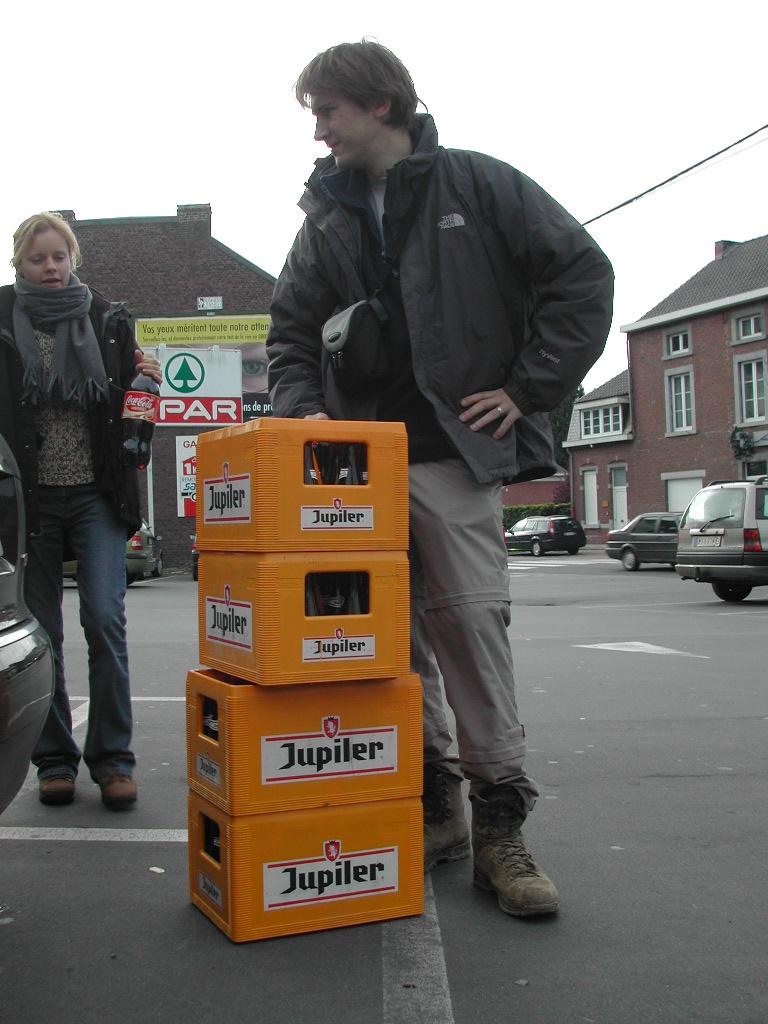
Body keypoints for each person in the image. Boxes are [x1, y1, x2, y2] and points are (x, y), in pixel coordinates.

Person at [266, 41, 614, 917]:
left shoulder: (478, 184)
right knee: (388, 646)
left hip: (453, 457)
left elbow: (584, 275)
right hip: (354, 472)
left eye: (328, 110)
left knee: (468, 632)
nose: (319, 130)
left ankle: (502, 826)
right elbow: (290, 330)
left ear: (381, 104)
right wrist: (307, 412)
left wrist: (528, 388)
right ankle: (437, 808)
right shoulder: (327, 218)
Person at [0, 212, 162, 810]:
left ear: (73, 261)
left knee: (104, 619)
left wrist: (147, 379)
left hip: (96, 493)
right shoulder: (1, 319)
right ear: (19, 263)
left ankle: (114, 759)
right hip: (29, 502)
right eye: (37, 259)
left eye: (58, 258)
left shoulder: (107, 321)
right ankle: (55, 760)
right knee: (40, 632)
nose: (49, 268)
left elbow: (133, 397)